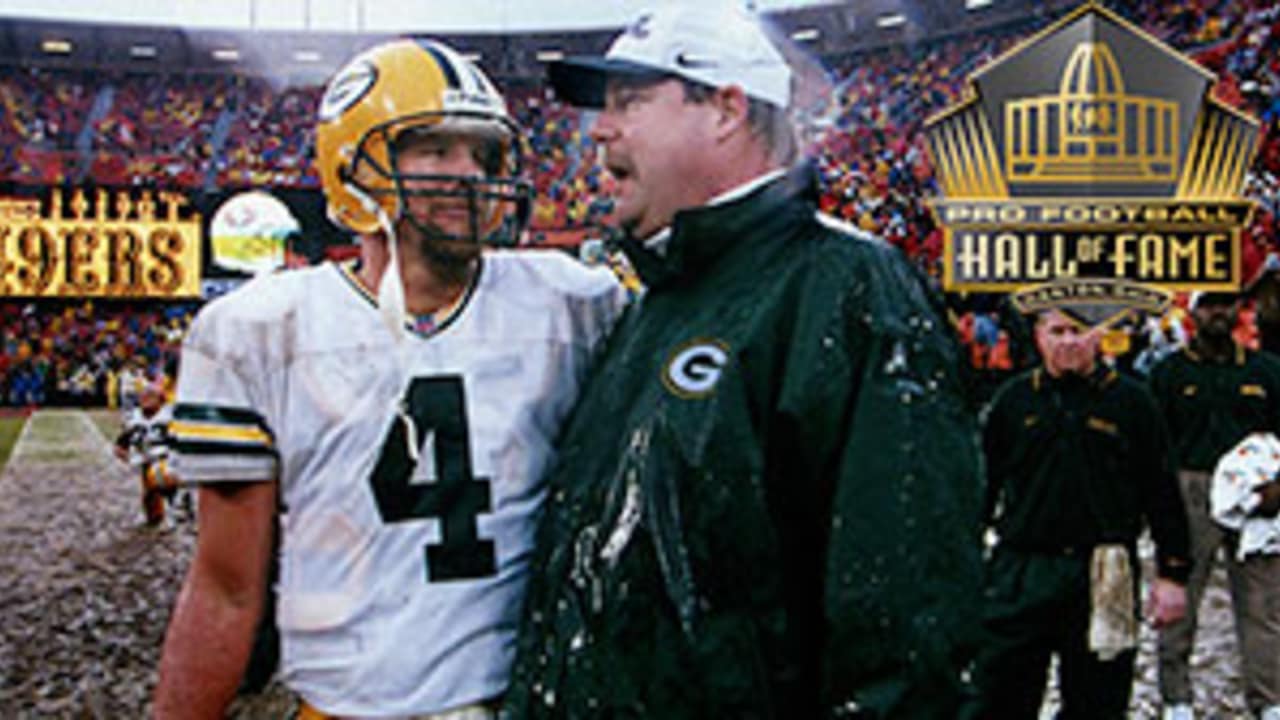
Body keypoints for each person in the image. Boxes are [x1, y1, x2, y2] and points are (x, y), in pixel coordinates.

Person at [504, 6, 984, 718]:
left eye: (630, 101)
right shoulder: (659, 301)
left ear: (726, 108)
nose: (599, 129)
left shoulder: (850, 289)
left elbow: (905, 627)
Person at [152, 39, 625, 719]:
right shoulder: (259, 331)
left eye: (484, 153)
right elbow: (226, 589)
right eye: (434, 147)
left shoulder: (574, 303)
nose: (468, 173)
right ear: (352, 169)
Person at [973, 309, 1191, 719]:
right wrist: (967, 562)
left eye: (1079, 330)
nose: (1068, 341)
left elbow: (1161, 489)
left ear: (1100, 336)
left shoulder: (1133, 401)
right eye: (1057, 331)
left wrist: (1173, 573)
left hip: (1104, 571)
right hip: (1023, 569)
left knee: (1099, 702)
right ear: (1039, 336)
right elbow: (982, 487)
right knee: (999, 695)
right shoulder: (1013, 400)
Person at [1150, 291, 1280, 720]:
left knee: (1262, 605)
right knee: (1179, 597)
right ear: (1192, 311)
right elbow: (1154, 447)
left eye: (1226, 303)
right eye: (1209, 304)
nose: (1218, 313)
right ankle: (1177, 700)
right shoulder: (1169, 373)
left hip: (1259, 498)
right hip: (1192, 491)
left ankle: (1270, 701)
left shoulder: (1266, 370)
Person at [114, 378, 182, 527]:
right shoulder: (135, 417)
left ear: (160, 400)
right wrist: (121, 448)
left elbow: (179, 437)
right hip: (144, 456)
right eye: (144, 396)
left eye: (151, 396)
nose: (146, 400)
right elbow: (124, 438)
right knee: (149, 491)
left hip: (165, 456)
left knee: (163, 483)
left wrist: (176, 455)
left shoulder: (168, 415)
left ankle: (172, 510)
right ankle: (153, 515)